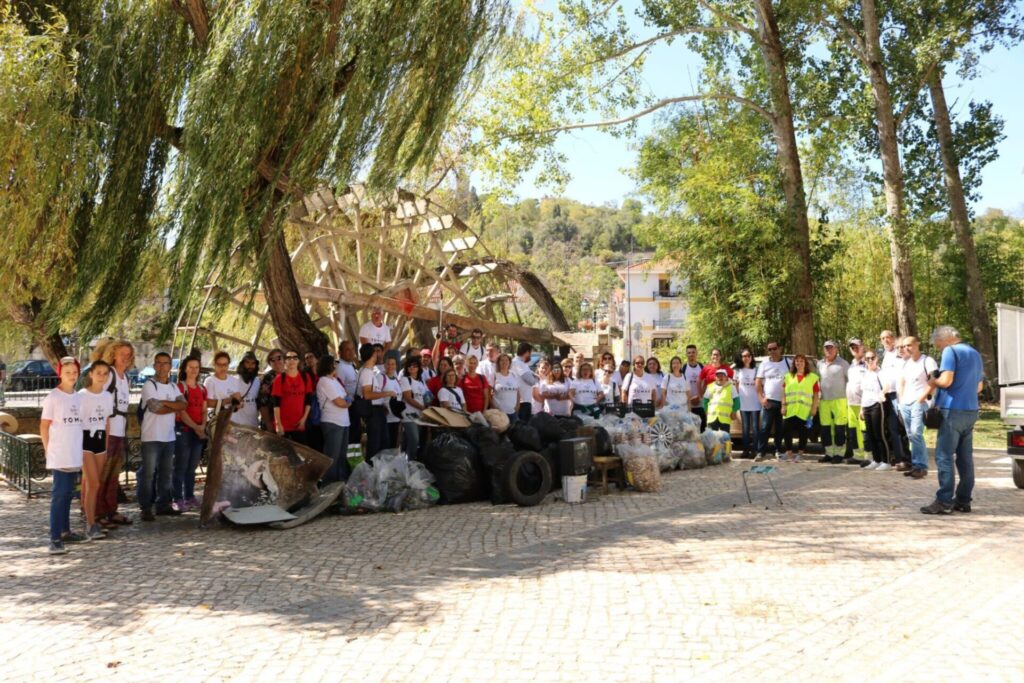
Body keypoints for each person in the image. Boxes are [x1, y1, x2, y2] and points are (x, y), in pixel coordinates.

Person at [921, 326, 984, 515]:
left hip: (952, 411)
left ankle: (944, 501)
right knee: (965, 459)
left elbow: (946, 381)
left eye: (937, 343)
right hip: (970, 410)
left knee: (944, 456)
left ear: (945, 338)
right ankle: (963, 500)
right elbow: (978, 387)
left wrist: (933, 381)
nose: (938, 347)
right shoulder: (974, 353)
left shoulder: (951, 351)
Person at [41, 357, 84, 554]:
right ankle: (55, 538)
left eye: (74, 372)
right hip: (60, 453)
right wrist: (48, 448)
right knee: (59, 496)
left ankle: (66, 530)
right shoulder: (53, 397)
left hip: (74, 452)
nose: (72, 375)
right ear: (60, 373)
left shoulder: (78, 397)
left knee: (68, 494)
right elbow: (44, 425)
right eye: (67, 372)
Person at [139, 352, 187, 521]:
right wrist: (174, 406)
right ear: (154, 366)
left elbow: (184, 404)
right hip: (151, 437)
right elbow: (155, 409)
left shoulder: (174, 387)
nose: (161, 366)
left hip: (169, 437)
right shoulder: (149, 385)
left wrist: (165, 403)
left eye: (165, 363)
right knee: (148, 474)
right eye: (158, 363)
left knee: (166, 474)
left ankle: (163, 505)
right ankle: (145, 507)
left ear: (170, 366)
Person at [94, 339, 134, 527]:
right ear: (113, 354)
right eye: (122, 354)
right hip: (105, 430)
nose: (125, 358)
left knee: (113, 474)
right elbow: (98, 399)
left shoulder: (124, 377)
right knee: (100, 473)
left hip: (119, 429)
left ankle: (111, 510)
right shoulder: (108, 374)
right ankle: (96, 513)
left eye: (128, 354)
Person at [79, 360, 113, 541]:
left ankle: (92, 519)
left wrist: (106, 447)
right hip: (84, 439)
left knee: (95, 484)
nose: (102, 376)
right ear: (91, 374)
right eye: (98, 372)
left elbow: (107, 421)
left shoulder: (107, 396)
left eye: (105, 373)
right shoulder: (81, 395)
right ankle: (90, 525)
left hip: (100, 440)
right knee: (93, 484)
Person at [898, 336, 938, 480]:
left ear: (917, 344)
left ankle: (921, 467)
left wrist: (921, 398)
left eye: (909, 345)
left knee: (916, 433)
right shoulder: (906, 363)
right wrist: (901, 400)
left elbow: (934, 381)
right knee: (910, 435)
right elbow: (902, 382)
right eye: (904, 346)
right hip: (906, 403)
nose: (907, 348)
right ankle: (915, 465)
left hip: (919, 403)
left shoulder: (927, 361)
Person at [173, 356, 208, 512]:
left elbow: (204, 409)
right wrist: (195, 427)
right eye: (191, 367)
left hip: (197, 431)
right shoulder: (180, 387)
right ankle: (177, 498)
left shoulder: (202, 389)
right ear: (185, 369)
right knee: (181, 466)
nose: (194, 370)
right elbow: (181, 410)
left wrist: (202, 426)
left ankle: (189, 496)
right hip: (185, 430)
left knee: (192, 467)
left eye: (196, 367)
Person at [316, 355, 350, 483]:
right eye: (334, 363)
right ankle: (328, 487)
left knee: (342, 456)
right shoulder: (324, 381)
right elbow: (341, 402)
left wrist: (347, 401)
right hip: (332, 422)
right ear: (328, 365)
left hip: (344, 422)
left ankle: (340, 484)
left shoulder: (335, 380)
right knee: (332, 457)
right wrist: (347, 402)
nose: (336, 365)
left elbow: (347, 396)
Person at [358, 343, 396, 459]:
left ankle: (380, 468)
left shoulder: (369, 371)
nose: (377, 356)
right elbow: (367, 394)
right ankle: (371, 469)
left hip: (378, 410)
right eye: (375, 353)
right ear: (372, 355)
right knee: (375, 443)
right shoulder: (366, 372)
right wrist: (387, 393)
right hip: (372, 411)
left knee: (383, 441)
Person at [879, 330, 909, 470]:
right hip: (887, 396)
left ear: (894, 339)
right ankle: (898, 458)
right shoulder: (883, 356)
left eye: (888, 337)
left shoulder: (900, 354)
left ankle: (906, 458)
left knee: (903, 427)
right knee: (892, 428)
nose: (886, 340)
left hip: (899, 395)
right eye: (883, 338)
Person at [780, 354, 819, 463]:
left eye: (801, 361)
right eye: (797, 361)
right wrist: (783, 405)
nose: (799, 363)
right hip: (790, 410)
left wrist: (814, 408)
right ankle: (789, 453)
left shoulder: (812, 377)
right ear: (794, 363)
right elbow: (783, 391)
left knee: (803, 433)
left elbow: (816, 394)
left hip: (804, 411)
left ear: (805, 363)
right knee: (786, 430)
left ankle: (800, 454)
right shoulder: (788, 376)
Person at [816, 341, 850, 464]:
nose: (829, 350)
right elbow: (817, 381)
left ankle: (839, 454)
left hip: (840, 399)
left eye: (831, 348)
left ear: (836, 349)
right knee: (825, 429)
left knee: (839, 428)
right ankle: (829, 453)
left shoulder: (843, 363)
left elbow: (850, 380)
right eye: (826, 348)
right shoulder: (820, 364)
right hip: (824, 400)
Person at [754, 342, 789, 462]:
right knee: (765, 428)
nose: (772, 351)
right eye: (769, 349)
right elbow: (758, 382)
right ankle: (760, 452)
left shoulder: (788, 362)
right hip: (768, 401)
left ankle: (778, 451)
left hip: (784, 402)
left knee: (780, 429)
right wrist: (761, 398)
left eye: (774, 348)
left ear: (780, 348)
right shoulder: (764, 363)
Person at [271, 351, 313, 445]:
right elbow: (276, 403)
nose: (292, 360)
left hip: (299, 424)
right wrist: (278, 424)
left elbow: (308, 400)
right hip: (283, 426)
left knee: (301, 455)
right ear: (285, 361)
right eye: (289, 358)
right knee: (283, 456)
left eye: (295, 358)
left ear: (298, 361)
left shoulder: (305, 377)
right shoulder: (279, 378)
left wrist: (304, 419)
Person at [859, 351, 891, 470]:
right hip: (866, 406)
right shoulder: (865, 374)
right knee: (870, 434)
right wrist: (862, 409)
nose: (870, 360)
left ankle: (886, 461)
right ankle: (876, 460)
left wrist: (882, 394)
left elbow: (887, 386)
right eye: (867, 359)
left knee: (880, 434)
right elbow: (864, 392)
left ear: (877, 359)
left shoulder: (880, 372)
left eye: (872, 358)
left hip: (877, 406)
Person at [843, 339, 872, 464]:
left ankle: (869, 456)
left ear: (862, 347)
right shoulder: (852, 364)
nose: (854, 349)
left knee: (865, 431)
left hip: (863, 403)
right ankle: (858, 455)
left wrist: (864, 404)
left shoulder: (868, 363)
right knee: (853, 431)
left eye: (857, 346)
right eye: (852, 347)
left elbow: (870, 384)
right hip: (851, 403)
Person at [733, 349, 759, 459]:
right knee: (745, 428)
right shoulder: (738, 370)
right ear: (741, 357)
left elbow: (759, 385)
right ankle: (745, 450)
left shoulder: (756, 370)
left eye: (748, 355)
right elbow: (736, 386)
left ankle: (756, 451)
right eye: (744, 356)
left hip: (755, 403)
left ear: (751, 357)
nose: (746, 358)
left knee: (755, 428)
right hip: (743, 404)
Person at [399, 358, 427, 458]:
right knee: (414, 440)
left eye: (414, 365)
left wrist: (427, 408)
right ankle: (411, 463)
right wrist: (423, 408)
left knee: (409, 441)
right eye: (409, 365)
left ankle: (404, 461)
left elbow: (426, 397)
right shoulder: (405, 379)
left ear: (419, 368)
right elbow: (408, 398)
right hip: (408, 414)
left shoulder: (421, 382)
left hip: (419, 415)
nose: (412, 367)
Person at [336, 341, 361, 447]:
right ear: (340, 352)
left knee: (356, 435)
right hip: (347, 408)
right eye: (347, 350)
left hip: (355, 406)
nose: (351, 352)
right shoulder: (340, 367)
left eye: (352, 349)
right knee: (352, 437)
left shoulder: (352, 365)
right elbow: (339, 388)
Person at [704, 368, 739, 432]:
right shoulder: (710, 386)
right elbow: (705, 401)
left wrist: (734, 411)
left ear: (726, 377)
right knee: (712, 438)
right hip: (712, 418)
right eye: (718, 376)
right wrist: (706, 411)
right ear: (715, 378)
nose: (720, 377)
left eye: (722, 376)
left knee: (725, 439)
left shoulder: (731, 387)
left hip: (725, 418)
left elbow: (737, 401)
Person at [232, 351, 262, 427]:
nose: (250, 366)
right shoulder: (234, 380)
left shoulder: (257, 381)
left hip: (253, 420)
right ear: (242, 364)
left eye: (253, 363)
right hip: (238, 420)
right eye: (247, 363)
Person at [258, 349, 285, 431]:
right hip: (272, 423)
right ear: (270, 363)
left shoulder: (290, 374)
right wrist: (268, 424)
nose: (276, 361)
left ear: (284, 359)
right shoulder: (268, 378)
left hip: (288, 422)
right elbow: (262, 403)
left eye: (279, 358)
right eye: (272, 360)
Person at [490, 353, 521, 420]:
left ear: (509, 363)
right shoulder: (494, 375)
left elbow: (517, 392)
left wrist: (517, 405)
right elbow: (488, 394)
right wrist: (494, 407)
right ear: (498, 363)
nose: (504, 362)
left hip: (513, 412)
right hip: (499, 413)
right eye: (502, 360)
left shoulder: (514, 375)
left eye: (506, 360)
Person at [511, 342, 537, 421]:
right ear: (527, 352)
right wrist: (537, 379)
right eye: (530, 353)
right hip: (523, 400)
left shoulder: (516, 362)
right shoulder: (519, 363)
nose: (530, 355)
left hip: (520, 399)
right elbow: (531, 381)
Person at [381, 356, 403, 449]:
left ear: (396, 366)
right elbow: (375, 395)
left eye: (393, 364)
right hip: (386, 418)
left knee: (394, 445)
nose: (390, 366)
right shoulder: (381, 377)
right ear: (384, 365)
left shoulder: (396, 379)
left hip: (396, 418)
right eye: (388, 364)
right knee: (385, 445)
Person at [683, 345, 705, 429]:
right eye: (689, 353)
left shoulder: (701, 367)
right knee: (690, 430)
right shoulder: (684, 368)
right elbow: (682, 386)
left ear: (696, 353)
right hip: (688, 405)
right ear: (686, 354)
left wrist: (699, 397)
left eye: (693, 352)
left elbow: (705, 383)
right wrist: (689, 399)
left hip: (700, 404)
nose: (691, 354)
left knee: (701, 428)